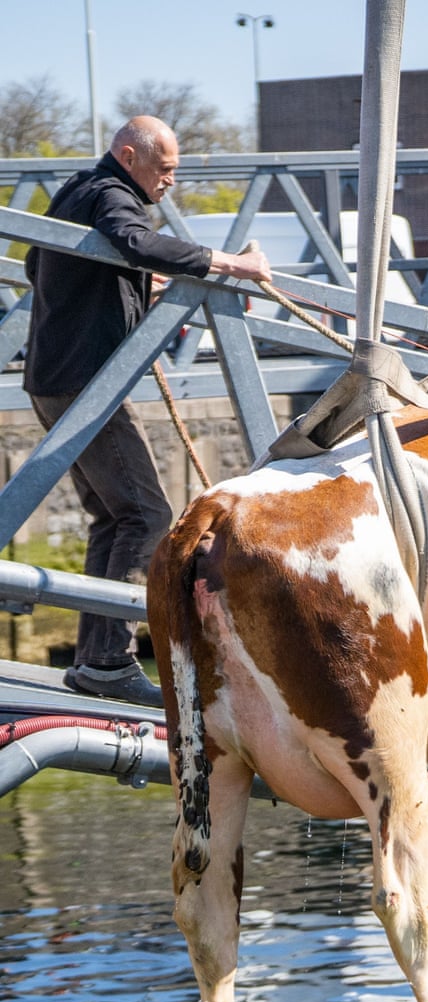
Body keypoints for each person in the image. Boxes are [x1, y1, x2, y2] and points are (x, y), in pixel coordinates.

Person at [23, 115, 272, 707]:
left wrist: (136, 287)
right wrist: (231, 264)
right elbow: (133, 240)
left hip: (56, 380)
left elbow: (41, 265)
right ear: (130, 156)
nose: (170, 183)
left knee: (113, 519)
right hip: (85, 384)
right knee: (147, 514)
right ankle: (107, 661)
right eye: (164, 170)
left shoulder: (78, 191)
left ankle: (94, 660)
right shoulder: (111, 194)